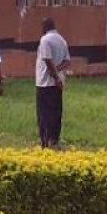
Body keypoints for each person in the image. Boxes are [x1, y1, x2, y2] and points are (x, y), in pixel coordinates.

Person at [35, 17, 70, 148]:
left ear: (45, 27)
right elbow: (67, 61)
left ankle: (45, 140)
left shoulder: (45, 40)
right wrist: (58, 72)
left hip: (45, 83)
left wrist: (54, 75)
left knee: (44, 113)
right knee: (56, 112)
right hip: (58, 83)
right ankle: (54, 139)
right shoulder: (62, 40)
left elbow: (47, 60)